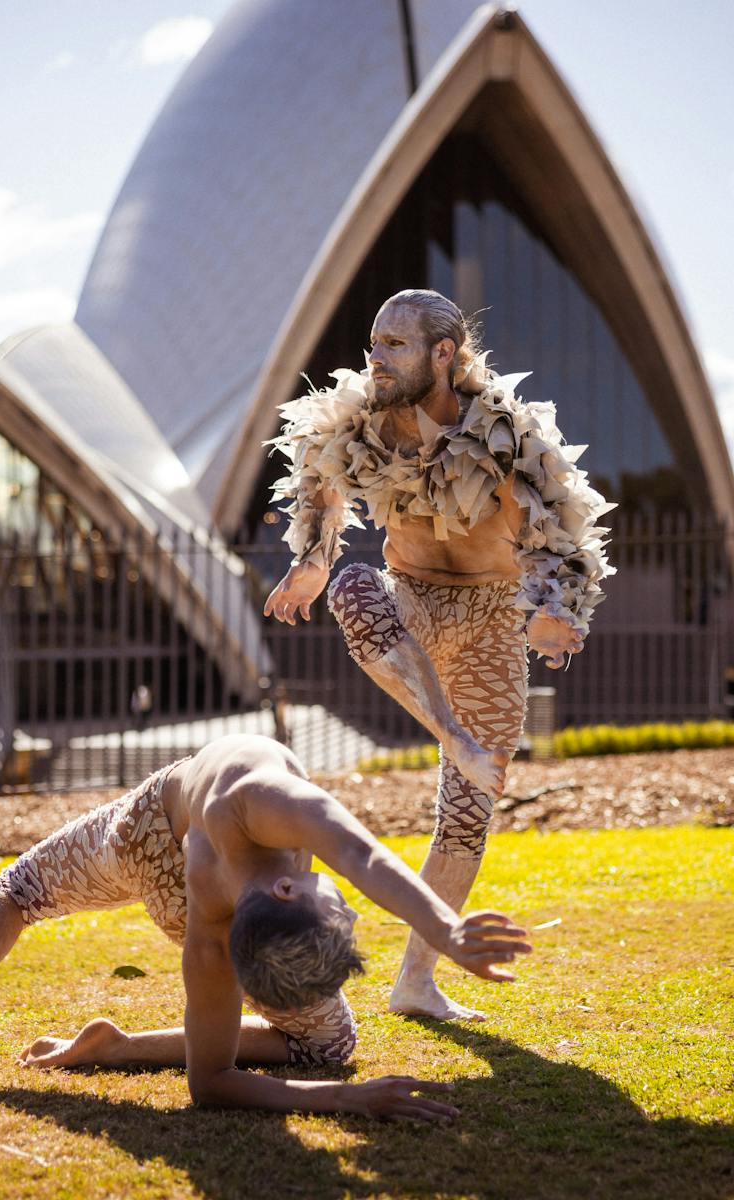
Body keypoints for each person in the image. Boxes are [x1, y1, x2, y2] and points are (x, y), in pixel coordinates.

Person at [0, 733, 531, 1120]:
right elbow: (213, 1083)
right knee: (330, 1042)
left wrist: (448, 930)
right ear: (287, 883)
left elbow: (359, 854)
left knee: (18, 890)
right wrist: (347, 1095)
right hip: (182, 870)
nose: (339, 898)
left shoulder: (216, 925)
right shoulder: (260, 814)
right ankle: (118, 1048)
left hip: (142, 830)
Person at [263, 289, 612, 1021]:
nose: (376, 357)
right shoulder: (358, 417)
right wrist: (315, 562)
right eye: (374, 342)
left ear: (444, 354)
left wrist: (549, 616)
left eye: (395, 344)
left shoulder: (502, 435)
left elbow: (555, 533)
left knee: (466, 812)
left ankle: (417, 982)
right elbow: (320, 485)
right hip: (412, 601)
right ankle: (452, 733)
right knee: (357, 588)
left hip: (491, 619)